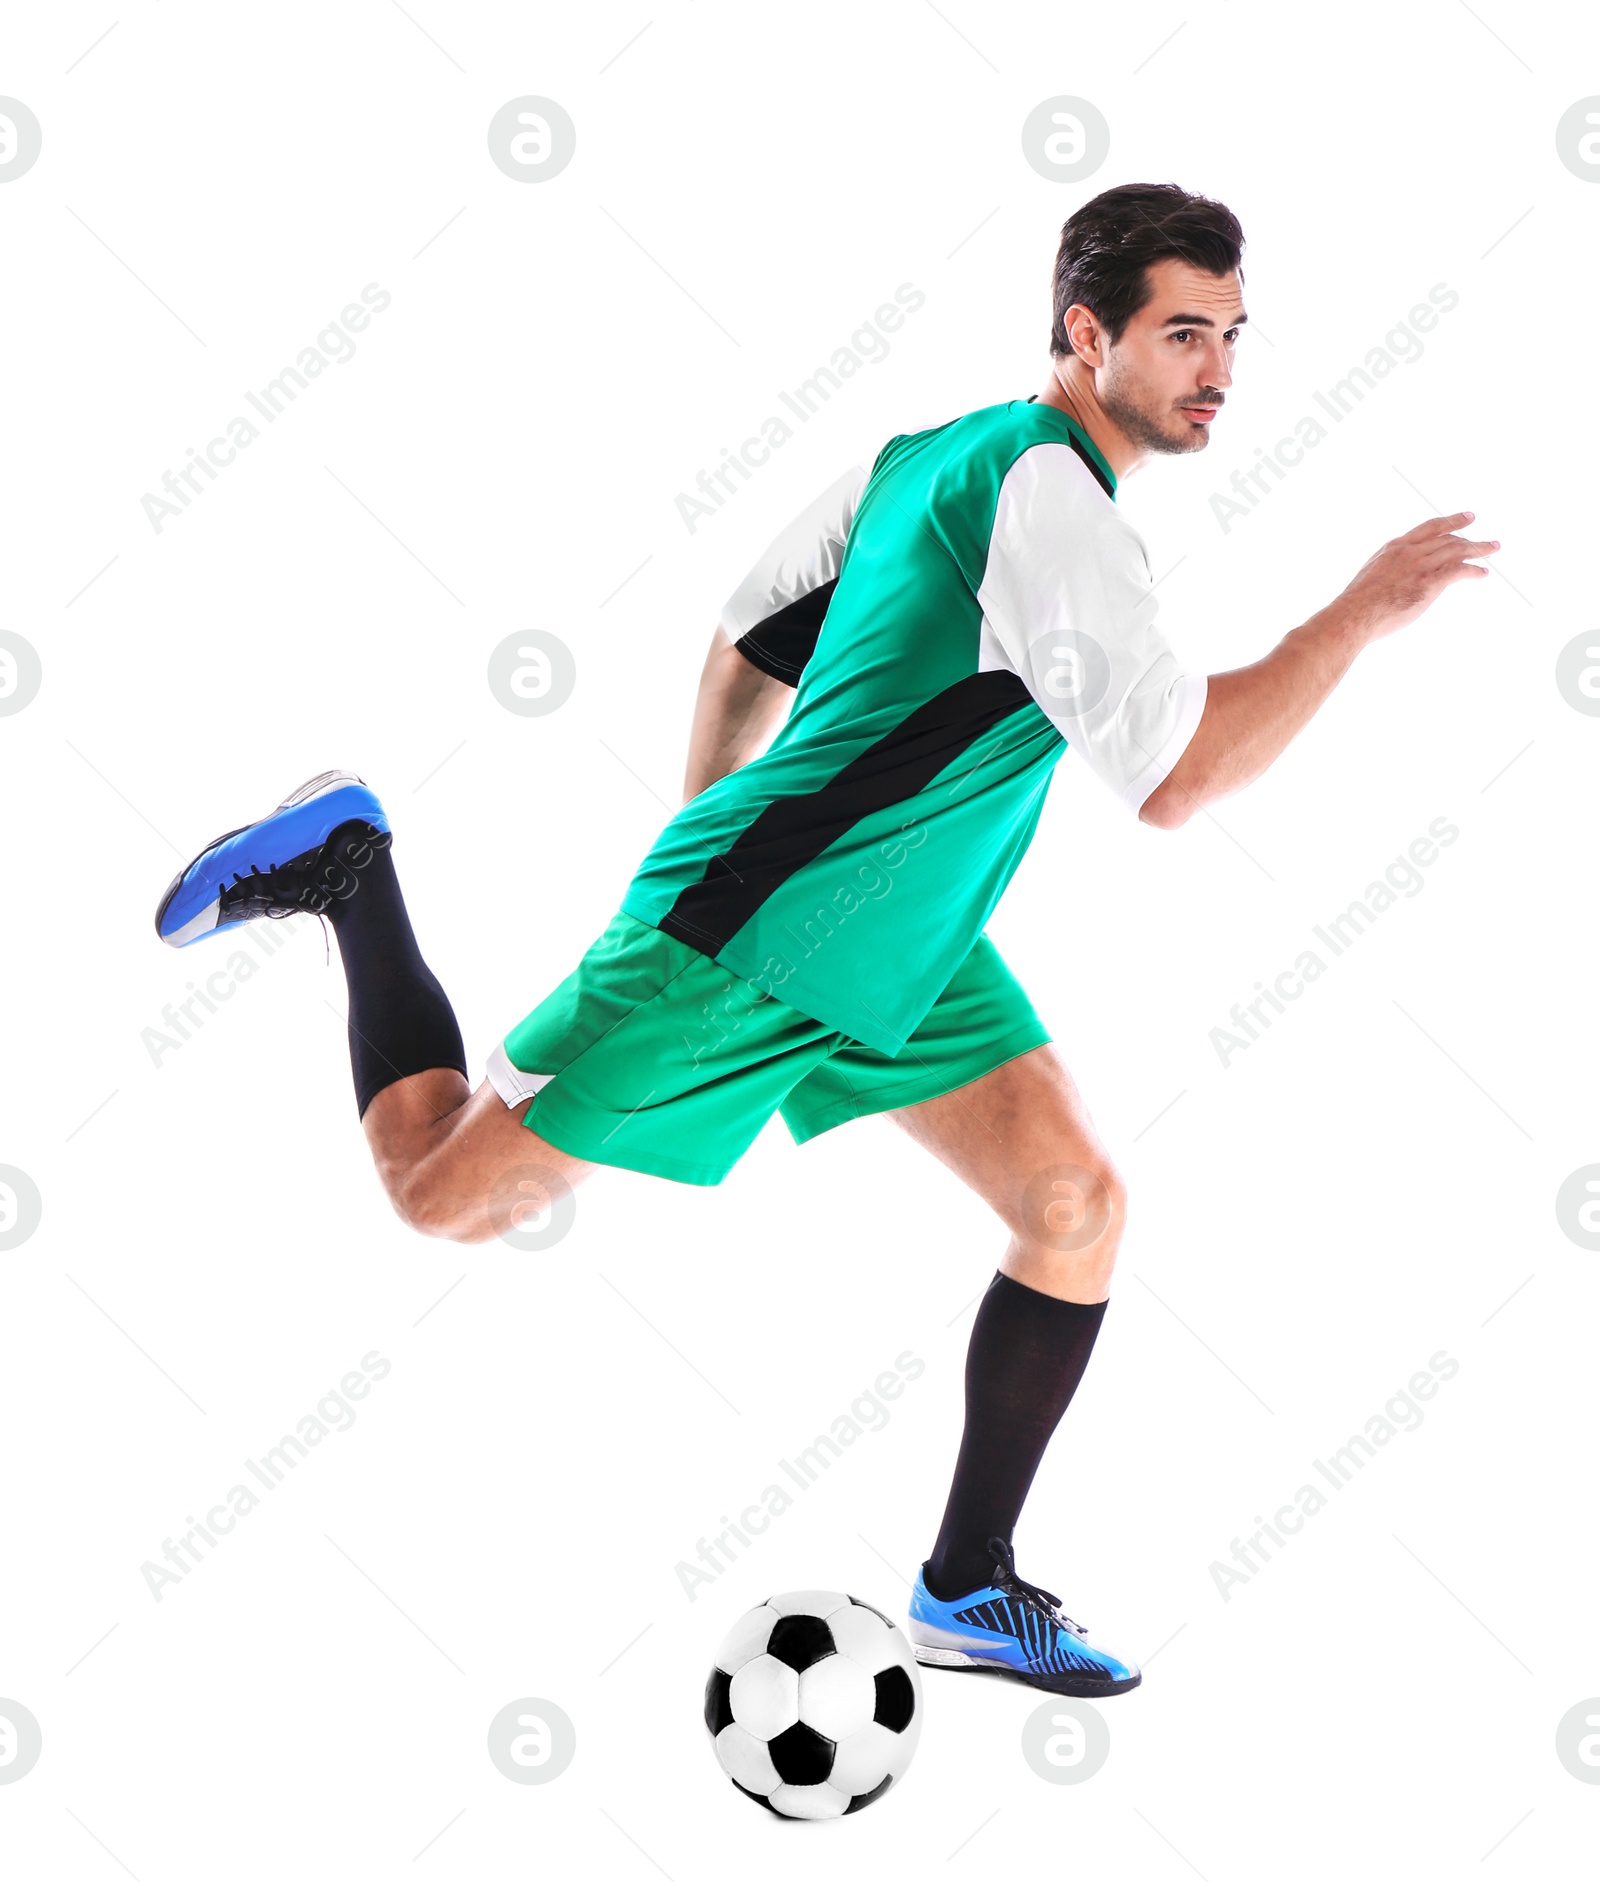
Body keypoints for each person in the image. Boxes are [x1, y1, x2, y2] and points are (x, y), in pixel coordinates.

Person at [153, 182, 1497, 1698]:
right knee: (442, 1194)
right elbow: (1178, 779)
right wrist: (1365, 609)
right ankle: (351, 870)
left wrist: (725, 819)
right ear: (1084, 332)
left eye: (1234, 335)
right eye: (1185, 332)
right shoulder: (1050, 496)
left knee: (1073, 1202)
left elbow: (745, 640)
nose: (1220, 370)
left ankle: (966, 1588)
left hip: (897, 940)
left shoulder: (924, 457)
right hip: (753, 940)